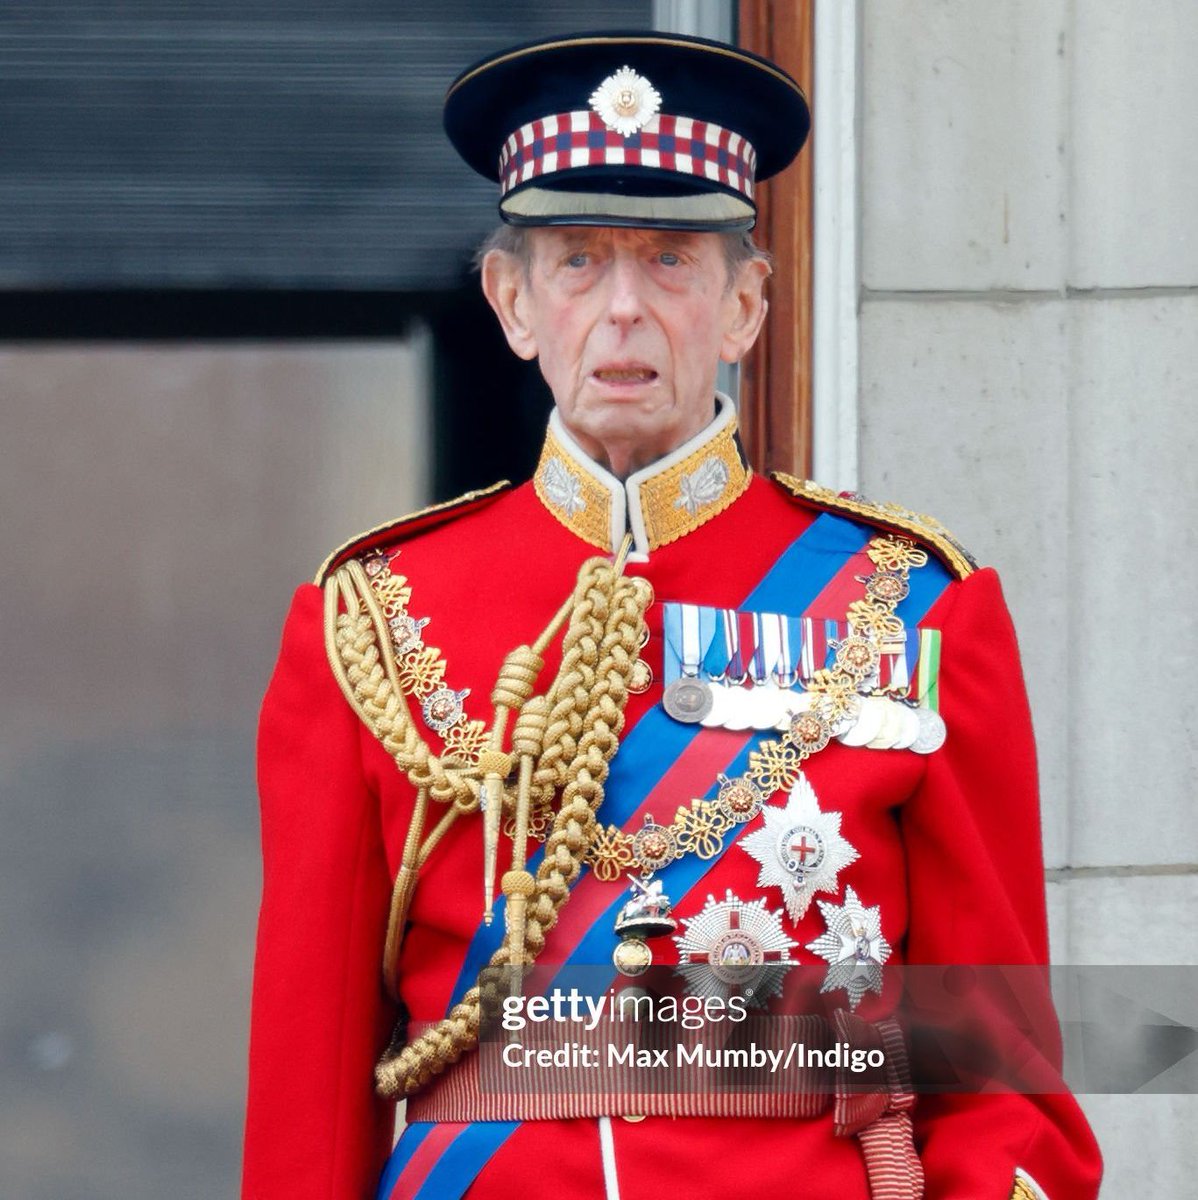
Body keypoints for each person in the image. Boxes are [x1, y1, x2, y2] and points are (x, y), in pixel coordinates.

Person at [242, 31, 1102, 1200]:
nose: (625, 311)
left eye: (670, 262)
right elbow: (311, 1076)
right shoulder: (377, 616)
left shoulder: (911, 606)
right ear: (512, 302)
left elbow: (999, 1075)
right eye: (579, 262)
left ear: (746, 305)